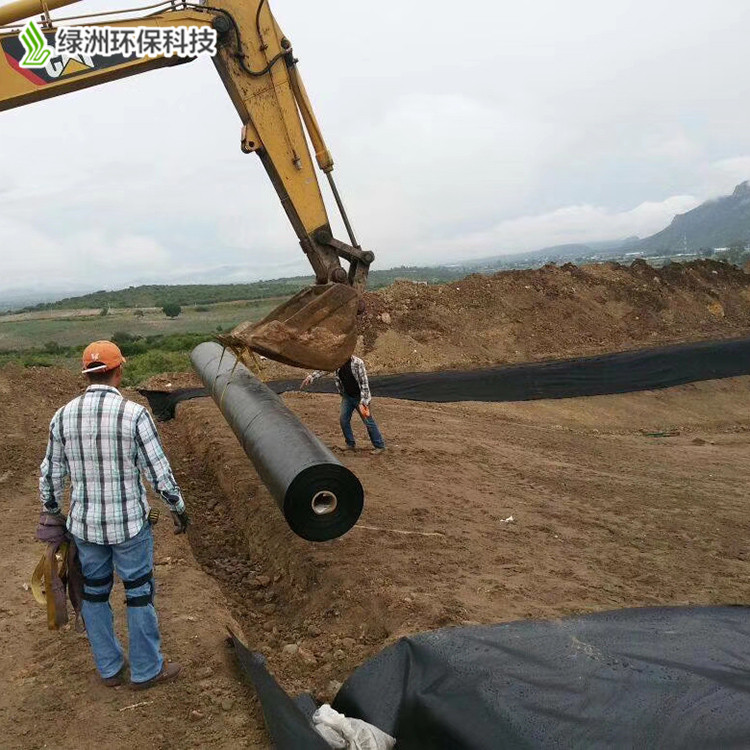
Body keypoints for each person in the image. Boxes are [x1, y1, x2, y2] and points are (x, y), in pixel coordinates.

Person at [37, 340, 190, 690]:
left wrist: (53, 513)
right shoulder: (135, 415)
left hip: (85, 527)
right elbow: (158, 472)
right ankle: (146, 670)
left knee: (93, 593)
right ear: (119, 371)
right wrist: (177, 507)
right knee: (138, 593)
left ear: (86, 374)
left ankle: (109, 668)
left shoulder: (62, 416)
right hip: (129, 526)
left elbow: (51, 475)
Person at [301, 355, 386, 454]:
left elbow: (364, 384)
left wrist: (363, 402)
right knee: (343, 420)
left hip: (360, 397)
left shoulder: (358, 363)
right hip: (347, 397)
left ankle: (379, 446)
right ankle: (350, 444)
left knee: (368, 422)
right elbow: (325, 369)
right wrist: (311, 377)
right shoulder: (337, 362)